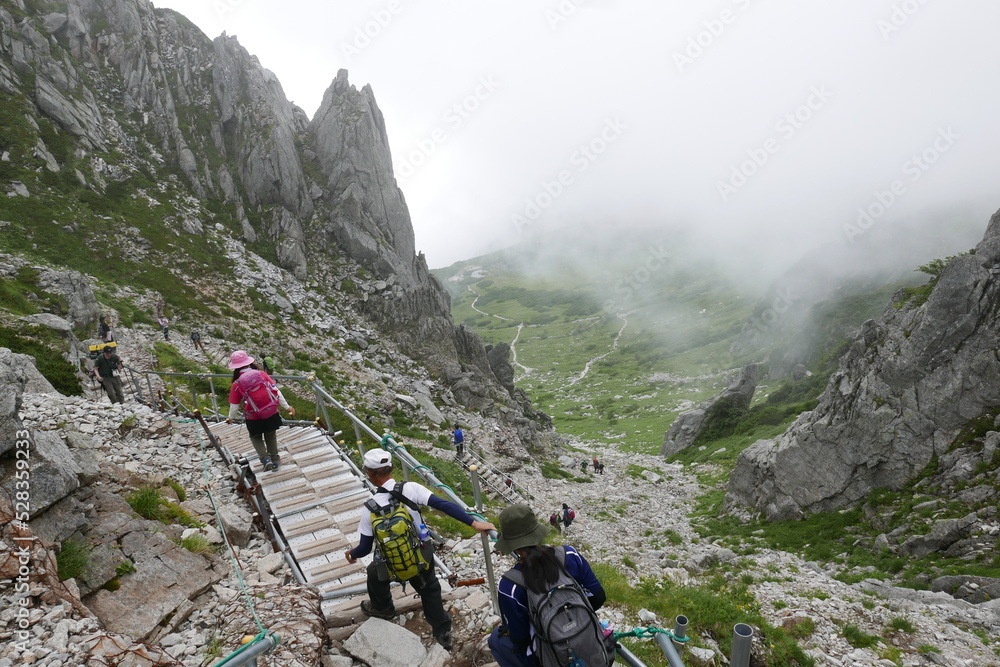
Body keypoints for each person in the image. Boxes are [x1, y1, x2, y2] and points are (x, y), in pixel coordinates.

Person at [345, 448, 495, 651]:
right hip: (419, 555)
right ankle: (442, 632)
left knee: (374, 572)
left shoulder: (370, 507)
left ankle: (383, 608)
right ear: (391, 468)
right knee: (430, 589)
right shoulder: (411, 488)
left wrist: (351, 554)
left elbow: (364, 548)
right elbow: (443, 505)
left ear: (370, 474)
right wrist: (474, 523)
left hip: (390, 563)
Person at [488, 504, 608, 667]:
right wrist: (572, 623)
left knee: (496, 638)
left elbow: (520, 639)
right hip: (587, 640)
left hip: (548, 657)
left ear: (511, 544)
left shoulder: (510, 585)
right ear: (537, 531)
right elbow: (598, 596)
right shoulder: (569, 554)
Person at [227, 350, 295, 471]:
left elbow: (234, 405)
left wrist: (230, 418)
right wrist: (287, 406)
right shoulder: (262, 374)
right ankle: (275, 460)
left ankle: (265, 459)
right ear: (249, 362)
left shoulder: (237, 384)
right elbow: (276, 391)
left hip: (253, 416)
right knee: (271, 436)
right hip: (270, 412)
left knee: (256, 437)